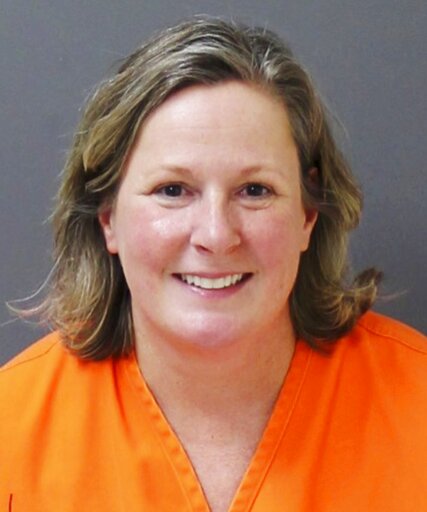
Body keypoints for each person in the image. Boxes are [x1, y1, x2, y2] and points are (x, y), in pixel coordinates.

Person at [1, 16, 426, 512]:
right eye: (172, 190)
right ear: (108, 217)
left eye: (255, 190)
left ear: (308, 215)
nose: (216, 235)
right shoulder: (10, 429)